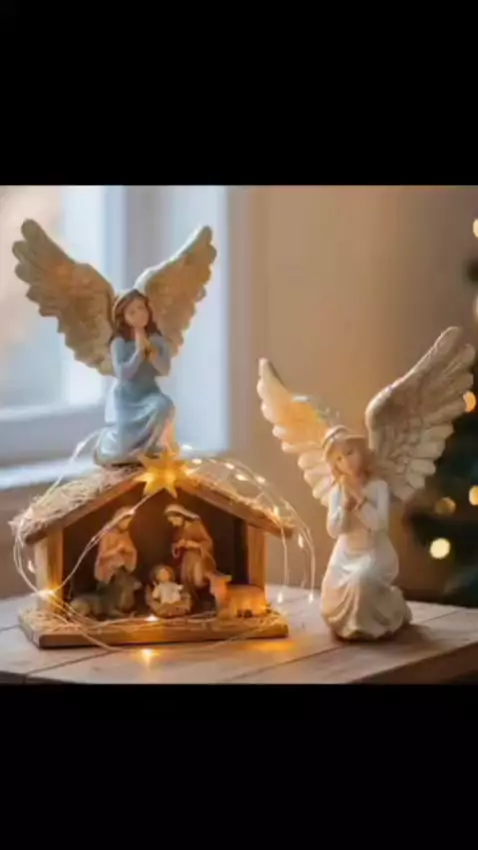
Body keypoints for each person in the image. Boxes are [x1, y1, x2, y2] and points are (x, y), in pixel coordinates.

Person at [320, 427, 412, 640]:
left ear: (361, 450)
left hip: (373, 551)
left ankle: (386, 610)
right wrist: (344, 508)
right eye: (339, 459)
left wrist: (360, 502)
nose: (346, 462)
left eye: (349, 452)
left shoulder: (379, 487)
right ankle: (348, 624)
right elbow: (333, 530)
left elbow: (380, 525)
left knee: (360, 581)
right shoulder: (337, 491)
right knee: (331, 589)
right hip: (345, 554)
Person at [94, 290, 176, 466]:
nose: (139, 315)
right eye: (132, 312)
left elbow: (165, 370)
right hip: (127, 399)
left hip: (149, 394)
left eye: (141, 308)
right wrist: (138, 353)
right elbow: (123, 374)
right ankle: (109, 444)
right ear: (123, 318)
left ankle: (148, 449)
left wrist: (152, 354)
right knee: (122, 449)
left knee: (163, 405)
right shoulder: (119, 343)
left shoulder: (157, 340)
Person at [164, 504, 217, 591]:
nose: (173, 524)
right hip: (186, 559)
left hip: (198, 558)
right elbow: (174, 547)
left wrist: (194, 544)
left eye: (174, 520)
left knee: (198, 581)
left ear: (181, 516)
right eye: (171, 521)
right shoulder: (178, 531)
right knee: (185, 581)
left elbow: (209, 543)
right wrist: (178, 545)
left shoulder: (196, 526)